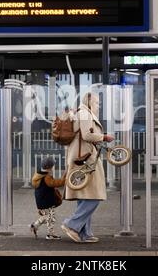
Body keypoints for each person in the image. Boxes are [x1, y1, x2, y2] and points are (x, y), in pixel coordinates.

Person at [61, 92, 114, 243]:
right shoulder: (84, 113)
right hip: (85, 158)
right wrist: (104, 137)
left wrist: (99, 138)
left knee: (85, 196)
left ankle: (85, 233)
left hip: (85, 157)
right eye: (97, 103)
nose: (99, 106)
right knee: (95, 195)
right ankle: (71, 224)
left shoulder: (83, 113)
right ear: (89, 102)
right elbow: (86, 135)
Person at [30, 157, 66, 240]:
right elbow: (53, 183)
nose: (53, 167)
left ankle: (35, 225)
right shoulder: (46, 177)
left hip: (41, 201)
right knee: (50, 218)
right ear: (49, 167)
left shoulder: (39, 174)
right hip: (46, 201)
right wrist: (64, 180)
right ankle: (51, 234)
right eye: (52, 166)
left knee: (48, 217)